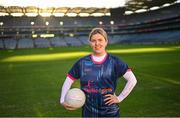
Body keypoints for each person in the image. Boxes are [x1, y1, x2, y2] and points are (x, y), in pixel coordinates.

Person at [60, 28, 137, 117]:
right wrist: (62, 100)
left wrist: (120, 98)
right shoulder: (82, 62)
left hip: (110, 113)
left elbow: (132, 80)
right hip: (89, 113)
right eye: (93, 41)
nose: (97, 43)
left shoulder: (115, 61)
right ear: (90, 43)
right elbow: (68, 80)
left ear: (106, 42)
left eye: (100, 40)